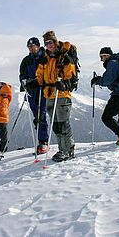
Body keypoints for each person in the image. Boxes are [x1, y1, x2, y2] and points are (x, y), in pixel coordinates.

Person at [26, 30, 77, 162]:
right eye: (46, 43)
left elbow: (71, 77)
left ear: (55, 42)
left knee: (63, 124)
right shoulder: (46, 59)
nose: (48, 45)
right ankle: (62, 150)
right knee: (56, 125)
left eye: (50, 42)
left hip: (61, 94)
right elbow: (40, 76)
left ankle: (68, 150)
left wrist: (65, 84)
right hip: (49, 95)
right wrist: (34, 83)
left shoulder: (64, 58)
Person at [91, 47, 119, 147]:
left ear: (106, 55)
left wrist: (97, 80)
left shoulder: (112, 63)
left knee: (106, 117)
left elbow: (107, 80)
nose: (101, 60)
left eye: (101, 57)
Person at [19, 37, 49, 154]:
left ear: (38, 45)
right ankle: (42, 141)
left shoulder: (45, 57)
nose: (30, 48)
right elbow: (22, 74)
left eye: (32, 46)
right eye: (29, 47)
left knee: (41, 115)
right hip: (32, 91)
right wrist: (25, 82)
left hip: (44, 90)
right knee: (37, 116)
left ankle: (43, 142)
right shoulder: (26, 60)